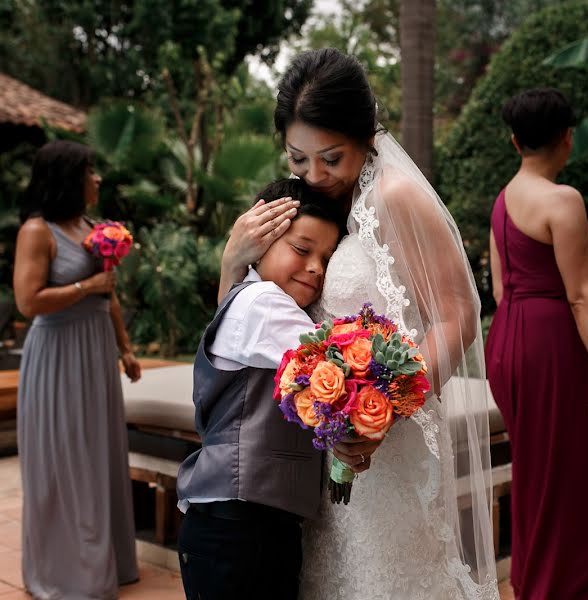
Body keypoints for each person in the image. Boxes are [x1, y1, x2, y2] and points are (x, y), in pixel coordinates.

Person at [217, 48, 499, 599]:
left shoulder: (394, 197)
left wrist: (380, 414)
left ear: (368, 136)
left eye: (332, 158)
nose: (315, 176)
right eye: (299, 159)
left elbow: (458, 313)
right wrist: (232, 261)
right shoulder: (301, 203)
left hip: (387, 432)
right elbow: (241, 318)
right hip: (319, 437)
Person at [483, 88, 588, 600]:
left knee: (539, 469)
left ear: (513, 141)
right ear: (567, 138)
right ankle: (560, 588)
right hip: (552, 345)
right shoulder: (562, 199)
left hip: (509, 341)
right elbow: (580, 296)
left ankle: (536, 583)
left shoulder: (504, 200)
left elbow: (501, 289)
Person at [176, 179, 344, 599]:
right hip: (237, 525)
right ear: (259, 241)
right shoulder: (262, 303)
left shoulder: (252, 297)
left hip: (248, 522)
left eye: (327, 258)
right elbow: (340, 368)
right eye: (302, 250)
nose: (316, 268)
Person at [13, 140, 141, 598]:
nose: (98, 178)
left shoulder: (91, 227)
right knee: (63, 460)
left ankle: (107, 562)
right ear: (69, 177)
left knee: (98, 455)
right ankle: (65, 573)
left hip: (95, 353)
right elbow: (29, 302)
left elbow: (109, 296)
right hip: (56, 354)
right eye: (90, 170)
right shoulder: (37, 232)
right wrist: (88, 284)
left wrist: (125, 350)